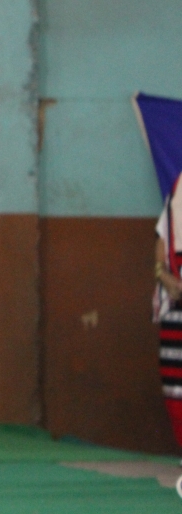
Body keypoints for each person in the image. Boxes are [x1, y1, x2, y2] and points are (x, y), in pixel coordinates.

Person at [154, 183, 182, 452]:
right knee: (175, 383)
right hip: (176, 304)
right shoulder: (177, 193)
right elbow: (161, 237)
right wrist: (163, 275)